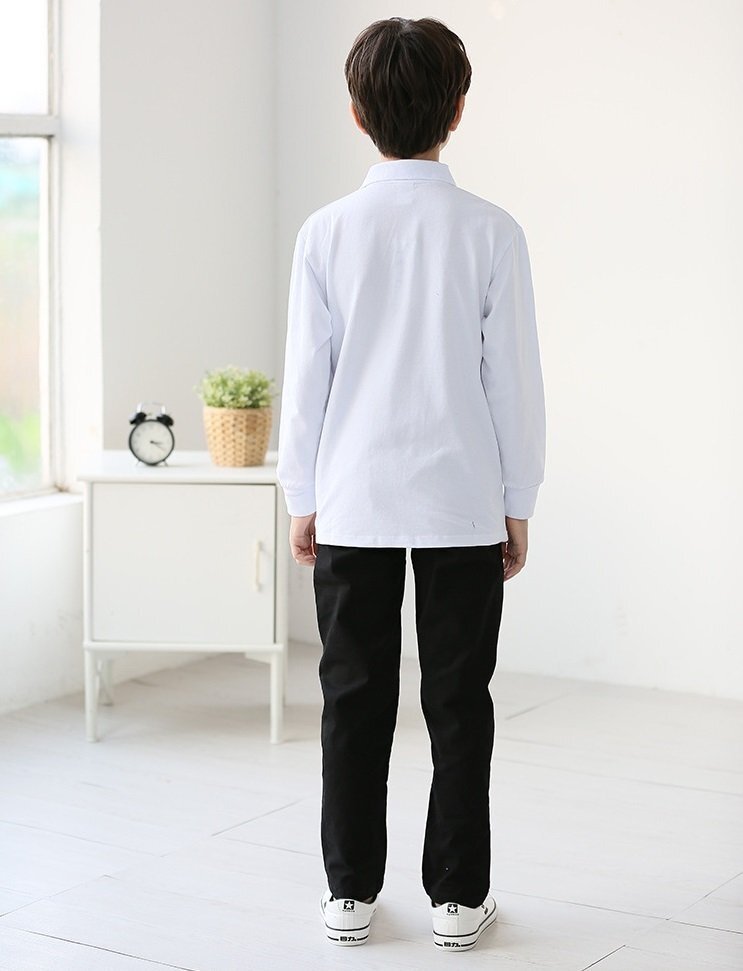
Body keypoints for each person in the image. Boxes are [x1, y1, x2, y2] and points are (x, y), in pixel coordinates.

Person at [276, 15, 546, 952]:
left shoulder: (325, 232)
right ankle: (457, 898)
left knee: (351, 698)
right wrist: (517, 502)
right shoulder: (492, 232)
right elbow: (512, 381)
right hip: (460, 500)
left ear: (356, 113)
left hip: (351, 497)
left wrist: (301, 496)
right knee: (459, 702)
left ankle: (349, 891)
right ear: (457, 110)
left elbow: (307, 381)